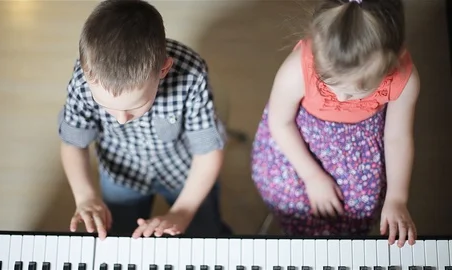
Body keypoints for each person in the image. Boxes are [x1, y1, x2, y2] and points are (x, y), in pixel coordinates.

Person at [57, 0, 231, 239]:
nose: (120, 120)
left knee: (203, 231)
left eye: (135, 106)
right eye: (106, 107)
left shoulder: (191, 74)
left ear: (163, 69)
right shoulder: (83, 80)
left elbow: (208, 151)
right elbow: (73, 143)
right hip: (121, 173)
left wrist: (182, 212)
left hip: (183, 171)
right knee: (121, 235)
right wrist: (86, 196)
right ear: (88, 73)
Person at [251, 0, 419, 247]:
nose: (340, 98)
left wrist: (397, 199)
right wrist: (312, 177)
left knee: (361, 206)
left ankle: (338, 245)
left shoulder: (405, 78)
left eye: (355, 91)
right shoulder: (297, 68)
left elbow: (397, 138)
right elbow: (280, 123)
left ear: (394, 60)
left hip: (359, 149)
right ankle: (296, 238)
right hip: (297, 143)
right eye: (330, 83)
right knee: (288, 198)